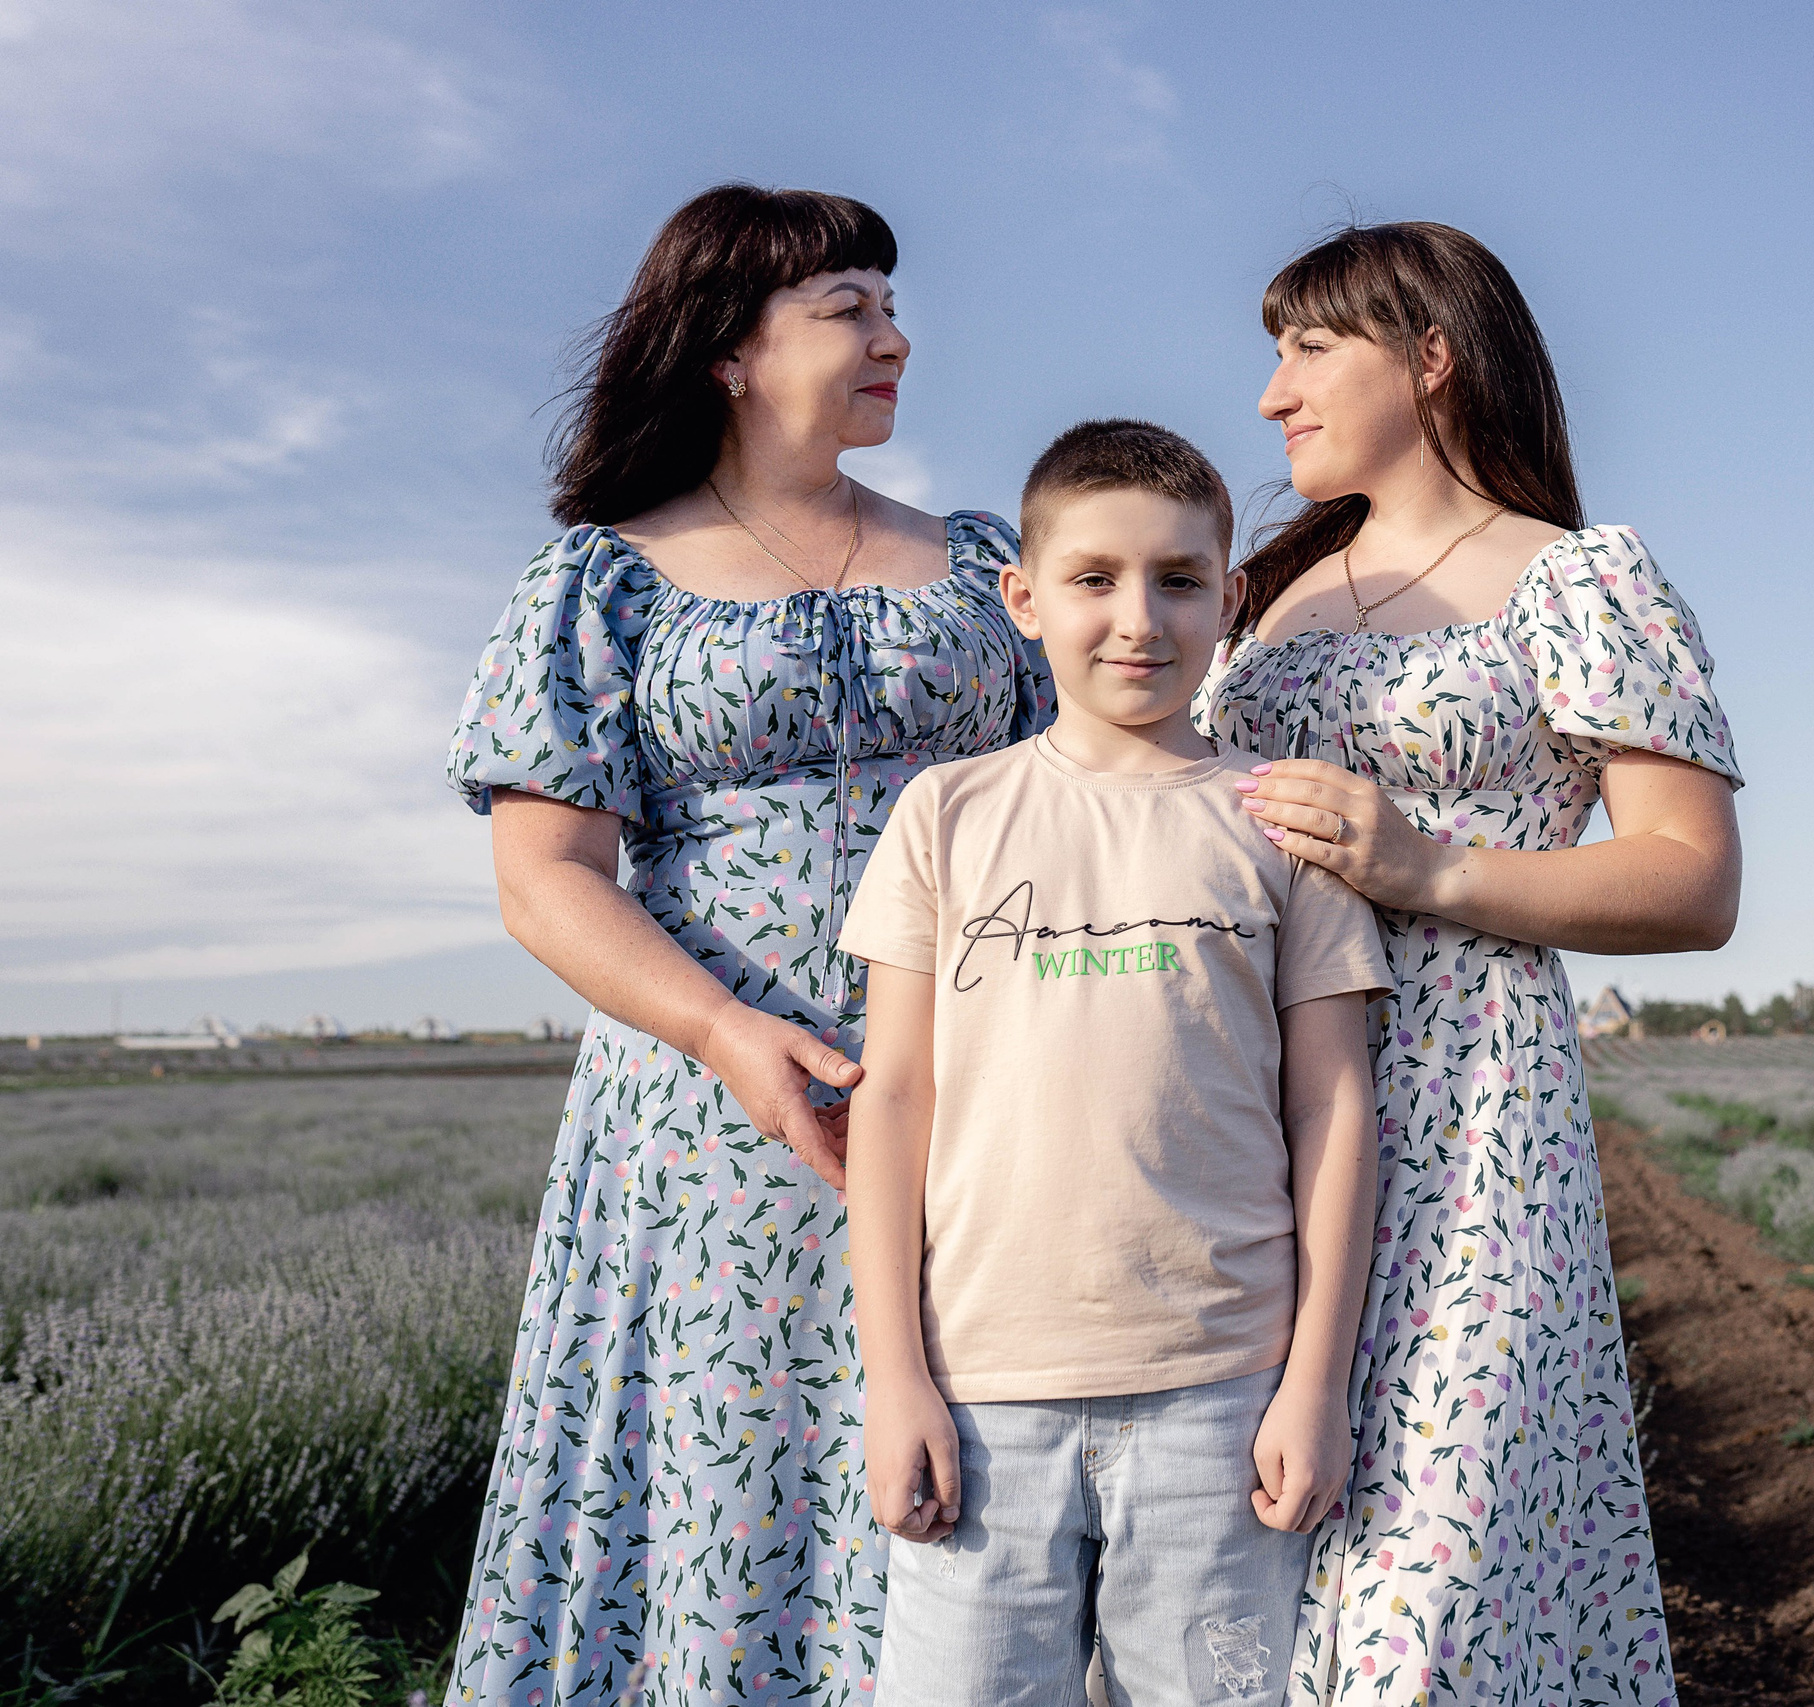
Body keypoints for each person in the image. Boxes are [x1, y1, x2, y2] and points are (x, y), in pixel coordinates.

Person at [440, 183, 1051, 1706]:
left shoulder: (987, 564)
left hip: (982, 1084)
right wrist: (727, 1033)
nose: (893, 337)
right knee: (734, 1488)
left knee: (983, 1478)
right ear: (727, 346)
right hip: (715, 1128)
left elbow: (1088, 797)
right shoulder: (601, 576)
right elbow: (549, 878)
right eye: (850, 309)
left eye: (891, 306)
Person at [1196, 223, 1745, 1706]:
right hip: (1244, 1113)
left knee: (1422, 1594)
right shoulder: (1258, 598)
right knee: (1239, 1591)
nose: (1271, 395)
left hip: (1467, 1118)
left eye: (1310, 348)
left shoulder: (1577, 579)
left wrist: (1431, 870)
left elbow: (1695, 882)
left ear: (1430, 354)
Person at [839, 421, 1391, 1704]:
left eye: (1179, 579)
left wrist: (1313, 1383)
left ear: (1231, 594)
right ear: (1024, 600)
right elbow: (895, 1100)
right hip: (983, 1396)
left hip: (1219, 1394)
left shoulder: (1281, 821)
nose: (1138, 618)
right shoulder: (949, 813)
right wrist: (895, 1379)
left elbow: (1334, 1104)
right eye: (1093, 579)